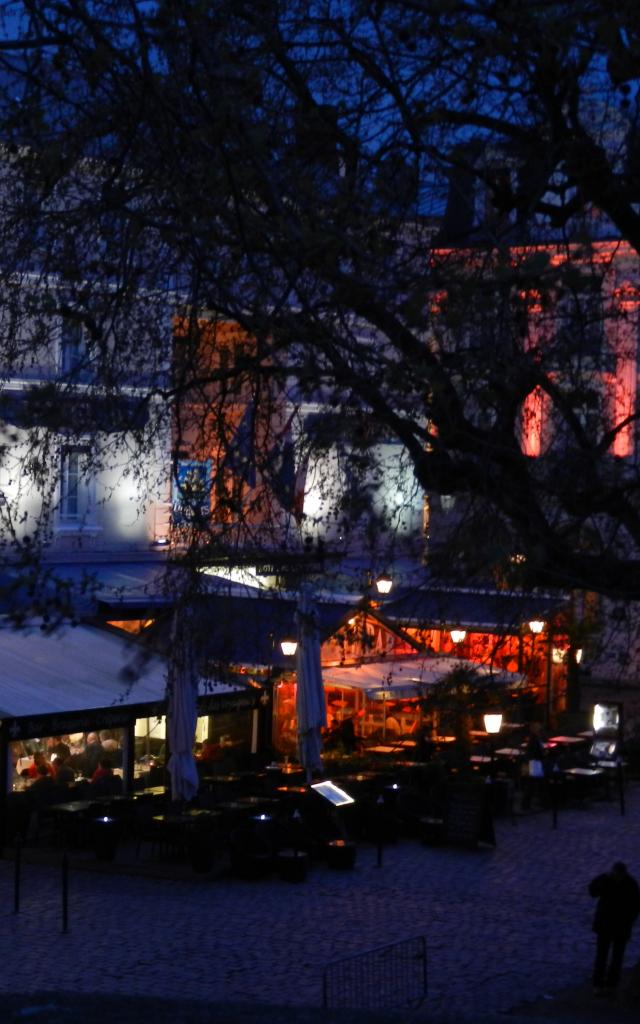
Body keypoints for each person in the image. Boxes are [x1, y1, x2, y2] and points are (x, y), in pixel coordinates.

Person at [589, 861, 640, 994]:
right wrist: (603, 878)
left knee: (615, 958)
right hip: (607, 926)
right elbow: (593, 891)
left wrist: (629, 921)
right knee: (603, 956)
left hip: (619, 926)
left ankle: (610, 984)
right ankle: (599, 984)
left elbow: (636, 906)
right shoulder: (608, 880)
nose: (617, 877)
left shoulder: (631, 884)